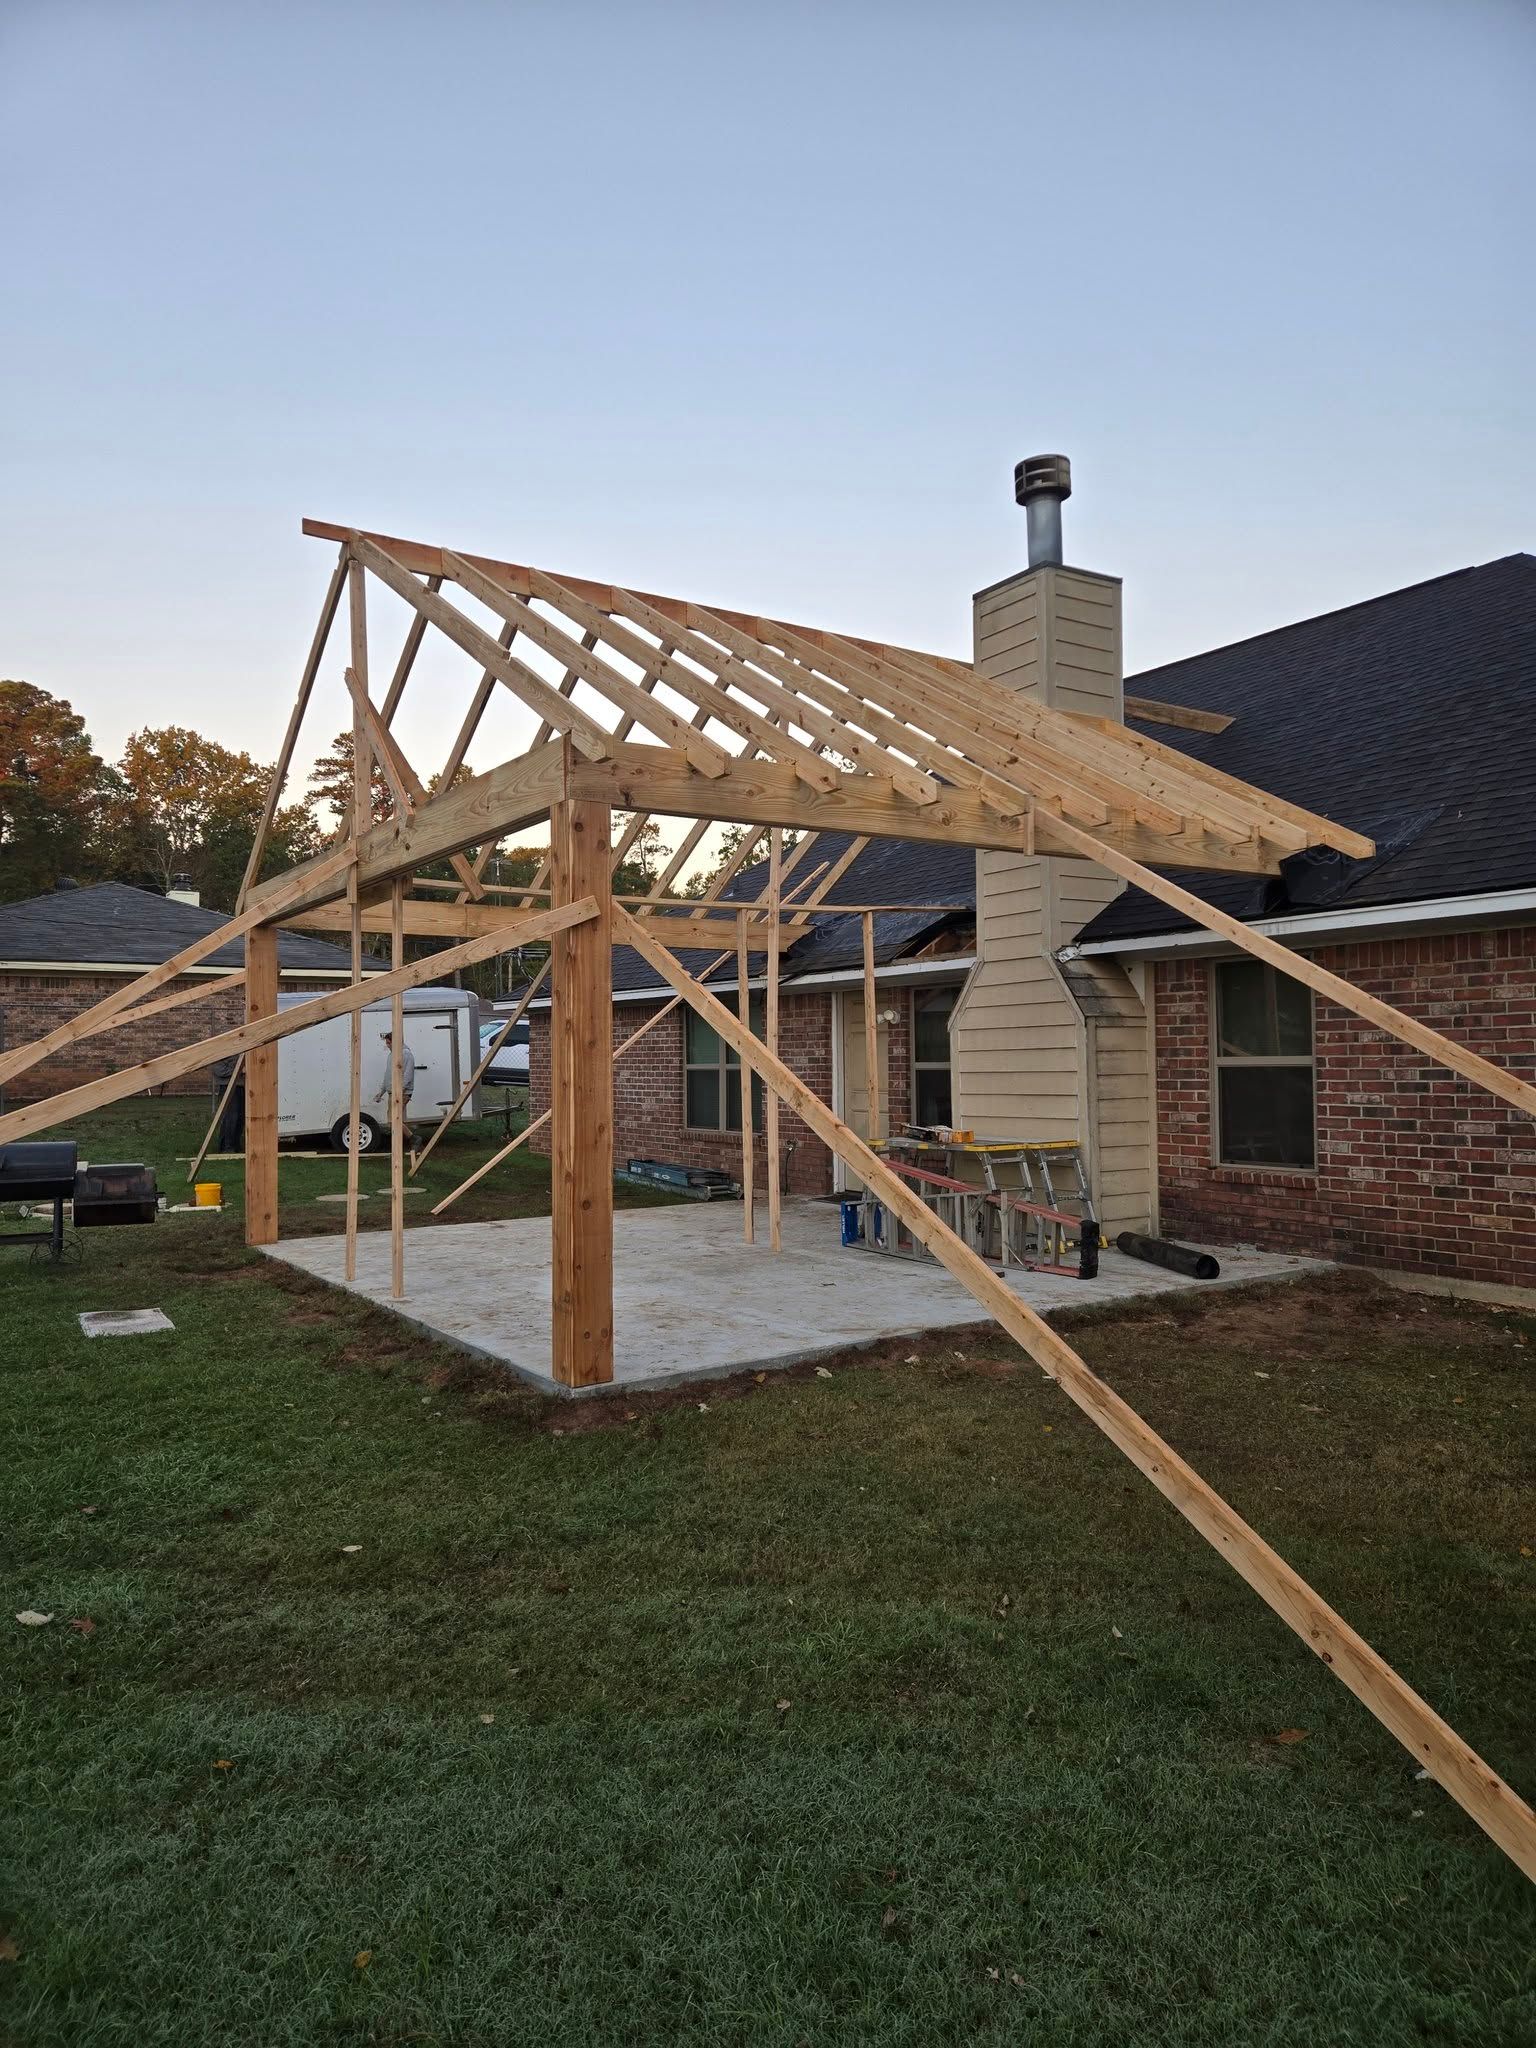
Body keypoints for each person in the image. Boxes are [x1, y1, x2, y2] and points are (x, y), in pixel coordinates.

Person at [373, 1029, 416, 1121]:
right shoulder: (391, 1055)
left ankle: (410, 1136)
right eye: (387, 1043)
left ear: (396, 1042)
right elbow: (387, 1075)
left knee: (394, 1120)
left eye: (389, 1043)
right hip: (392, 1092)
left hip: (402, 1093)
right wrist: (381, 1093)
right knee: (394, 1120)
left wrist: (399, 1092)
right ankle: (410, 1136)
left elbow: (408, 1076)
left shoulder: (406, 1054)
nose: (387, 1046)